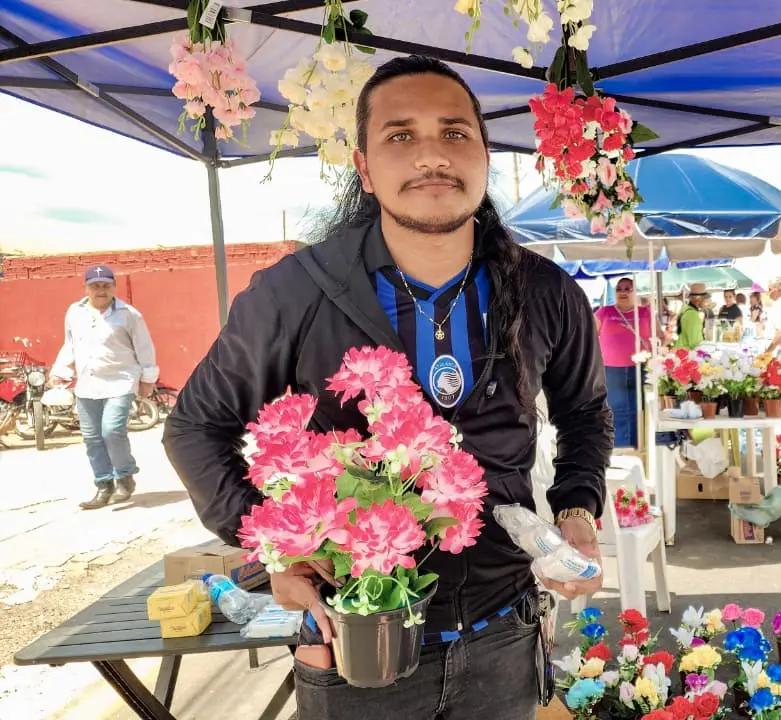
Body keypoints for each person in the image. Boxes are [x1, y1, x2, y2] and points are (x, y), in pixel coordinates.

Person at [162, 55, 611, 719]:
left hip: (503, 636)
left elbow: (586, 412)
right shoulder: (296, 293)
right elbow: (196, 427)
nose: (432, 154)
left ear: (485, 157)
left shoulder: (547, 293)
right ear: (365, 168)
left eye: (455, 132)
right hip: (356, 644)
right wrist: (275, 548)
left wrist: (576, 512)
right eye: (400, 135)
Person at [51, 264, 159, 510]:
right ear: (86, 287)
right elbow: (70, 344)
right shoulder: (74, 312)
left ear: (114, 287)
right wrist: (61, 371)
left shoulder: (129, 314)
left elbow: (144, 346)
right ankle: (103, 485)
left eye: (106, 285)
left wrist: (147, 378)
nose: (100, 290)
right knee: (92, 437)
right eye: (95, 285)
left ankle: (124, 476)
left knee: (111, 430)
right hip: (87, 384)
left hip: (120, 380)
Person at [595, 277, 655, 448]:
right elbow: (588, 335)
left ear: (635, 292)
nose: (623, 292)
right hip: (611, 371)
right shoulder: (604, 312)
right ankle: (618, 448)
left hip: (641, 369)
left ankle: (639, 447)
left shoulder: (645, 312)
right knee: (615, 410)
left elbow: (659, 337)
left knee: (639, 410)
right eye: (620, 289)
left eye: (628, 288)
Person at [674, 283, 709, 349]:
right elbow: (696, 344)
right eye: (705, 297)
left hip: (681, 351)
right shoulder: (692, 315)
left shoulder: (685, 308)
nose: (706, 300)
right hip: (688, 354)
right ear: (698, 298)